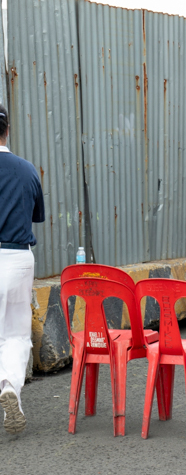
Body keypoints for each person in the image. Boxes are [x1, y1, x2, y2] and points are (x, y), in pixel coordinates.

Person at [0, 104, 45, 434]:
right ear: (7, 131)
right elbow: (35, 216)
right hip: (18, 260)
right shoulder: (27, 169)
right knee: (16, 335)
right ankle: (9, 388)